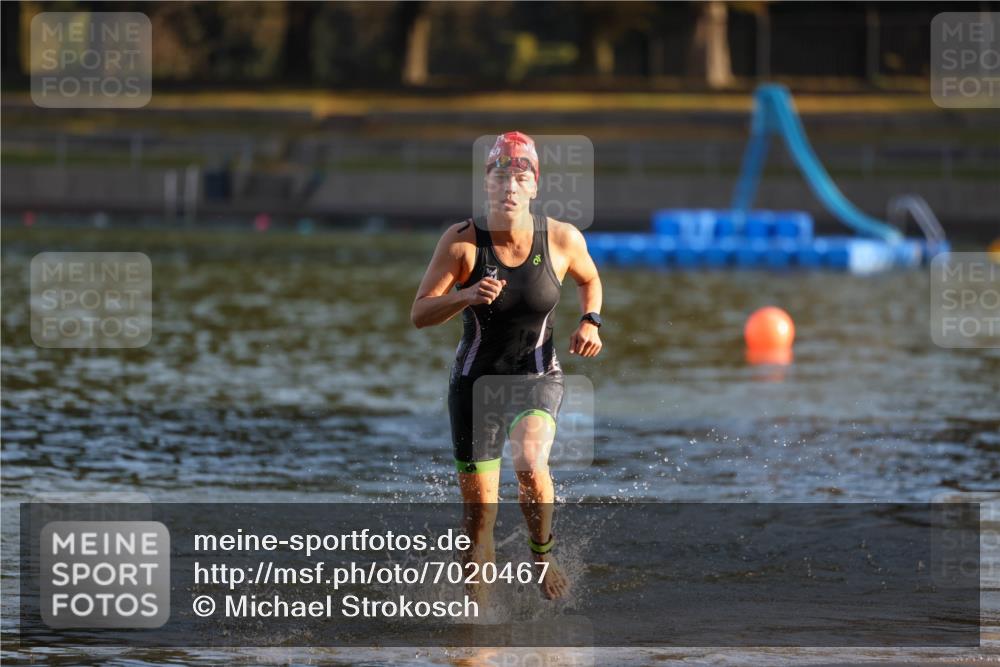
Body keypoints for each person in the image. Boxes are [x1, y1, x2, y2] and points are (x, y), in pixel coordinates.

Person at [411, 131, 603, 602]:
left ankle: (542, 551)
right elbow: (419, 313)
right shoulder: (461, 244)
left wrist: (591, 321)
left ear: (535, 186)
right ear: (487, 185)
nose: (510, 187)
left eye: (521, 177)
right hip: (475, 386)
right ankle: (478, 625)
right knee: (479, 521)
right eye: (500, 176)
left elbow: (590, 278)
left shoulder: (561, 238)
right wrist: (465, 295)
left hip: (538, 376)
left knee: (530, 460)